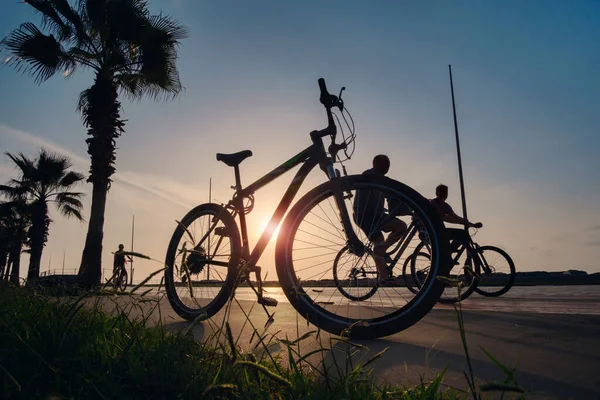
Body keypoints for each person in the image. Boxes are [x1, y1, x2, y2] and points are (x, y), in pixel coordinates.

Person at [353, 155, 407, 281]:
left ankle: (382, 250)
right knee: (378, 239)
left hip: (378, 215)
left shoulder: (384, 180)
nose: (387, 167)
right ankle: (383, 275)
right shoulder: (369, 175)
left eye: (388, 164)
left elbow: (393, 198)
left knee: (401, 227)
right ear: (375, 164)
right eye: (385, 164)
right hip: (364, 214)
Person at [429, 184, 482, 255]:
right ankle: (447, 253)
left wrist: (472, 224)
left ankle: (448, 253)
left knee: (462, 234)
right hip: (433, 230)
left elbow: (456, 217)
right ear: (437, 193)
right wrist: (460, 221)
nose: (444, 194)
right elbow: (444, 217)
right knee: (461, 234)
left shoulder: (446, 206)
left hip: (440, 229)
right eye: (442, 192)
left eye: (445, 192)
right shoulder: (433, 203)